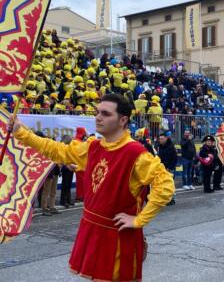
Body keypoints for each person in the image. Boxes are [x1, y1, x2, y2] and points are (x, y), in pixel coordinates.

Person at [9, 94, 175, 281]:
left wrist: (139, 220)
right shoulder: (93, 147)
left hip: (118, 236)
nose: (98, 117)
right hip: (93, 229)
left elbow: (165, 185)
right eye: (97, 112)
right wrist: (21, 132)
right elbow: (57, 150)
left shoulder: (136, 153)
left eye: (105, 113)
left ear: (123, 120)